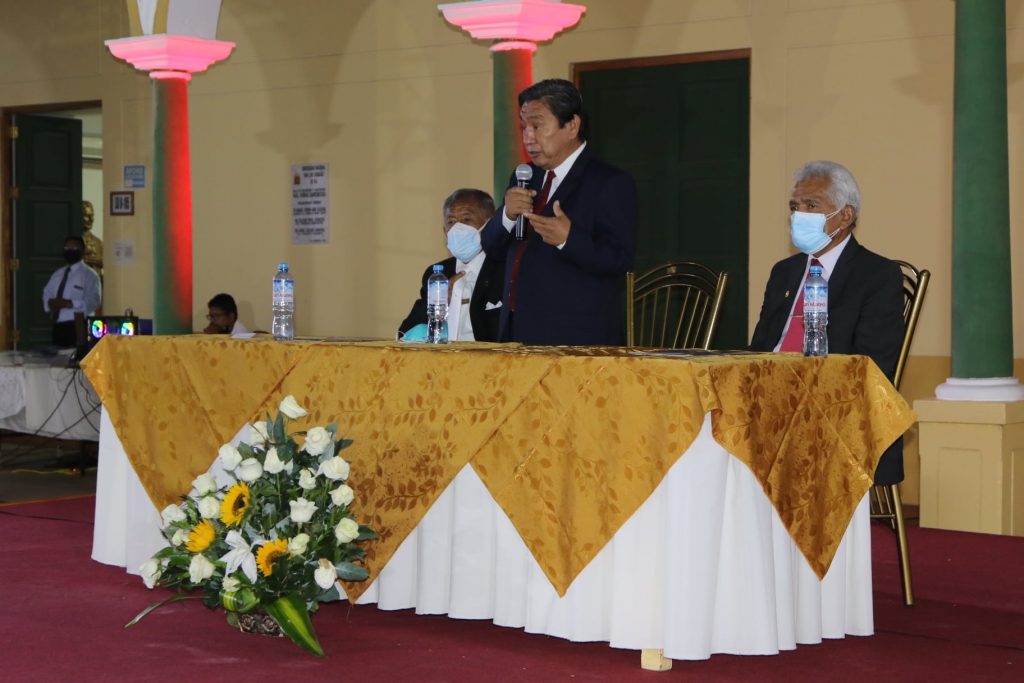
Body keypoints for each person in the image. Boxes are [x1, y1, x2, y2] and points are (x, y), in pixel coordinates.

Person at [749, 160, 905, 484]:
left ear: (845, 216)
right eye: (794, 207)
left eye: (811, 205)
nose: (799, 215)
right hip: (769, 395)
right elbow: (760, 347)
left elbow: (870, 364)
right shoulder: (784, 272)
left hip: (833, 405)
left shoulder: (877, 274)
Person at [481, 78, 637, 346]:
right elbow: (491, 247)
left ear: (572, 125)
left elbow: (619, 259)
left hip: (576, 339)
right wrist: (507, 215)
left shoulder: (609, 182)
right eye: (524, 127)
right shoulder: (524, 176)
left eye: (537, 126)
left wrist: (568, 239)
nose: (528, 137)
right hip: (517, 332)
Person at [398, 188, 504, 342]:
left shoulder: (504, 269)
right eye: (451, 222)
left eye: (466, 219)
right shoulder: (437, 273)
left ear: (489, 225)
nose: (457, 228)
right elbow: (406, 334)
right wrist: (439, 306)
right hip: (445, 356)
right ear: (445, 232)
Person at [42, 235, 102, 348]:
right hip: (59, 326)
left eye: (74, 248)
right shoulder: (58, 274)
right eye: (67, 248)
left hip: (78, 325)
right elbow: (47, 292)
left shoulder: (90, 275)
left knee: (77, 355)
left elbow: (94, 301)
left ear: (82, 251)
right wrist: (50, 303)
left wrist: (69, 303)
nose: (70, 251)